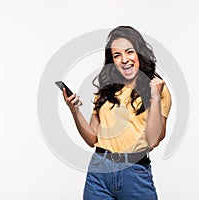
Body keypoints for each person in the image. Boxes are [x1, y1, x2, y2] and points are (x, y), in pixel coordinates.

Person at [62, 26, 172, 200]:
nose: (124, 60)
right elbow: (92, 139)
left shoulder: (157, 90)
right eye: (117, 55)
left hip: (134, 172)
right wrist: (74, 111)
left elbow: (153, 140)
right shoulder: (105, 92)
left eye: (129, 52)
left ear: (139, 54)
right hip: (99, 170)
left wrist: (155, 97)